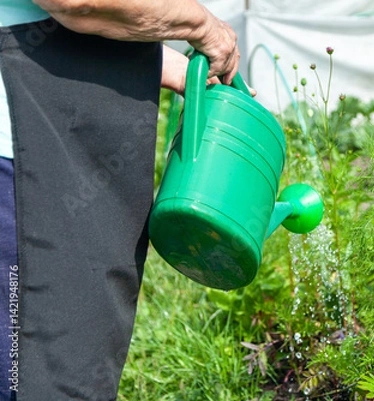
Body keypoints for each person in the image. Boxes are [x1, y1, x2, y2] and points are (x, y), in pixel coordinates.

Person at [0, 1, 240, 399]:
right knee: (41, 372)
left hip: (54, 150)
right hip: (25, 162)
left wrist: (160, 63)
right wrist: (202, 26)